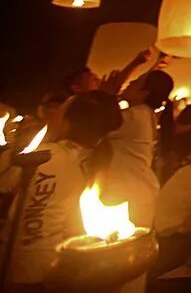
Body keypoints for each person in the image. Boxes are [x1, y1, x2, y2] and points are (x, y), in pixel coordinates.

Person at [0, 90, 123, 287]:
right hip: (55, 264)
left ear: (67, 122)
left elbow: (4, 184)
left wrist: (9, 150)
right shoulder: (96, 162)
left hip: (16, 261)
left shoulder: (44, 155)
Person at [101, 67, 174, 293]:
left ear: (143, 93)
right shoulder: (141, 115)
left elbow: (95, 122)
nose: (128, 84)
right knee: (132, 262)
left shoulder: (134, 117)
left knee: (125, 262)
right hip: (136, 191)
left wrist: (108, 94)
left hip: (129, 194)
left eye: (135, 81)